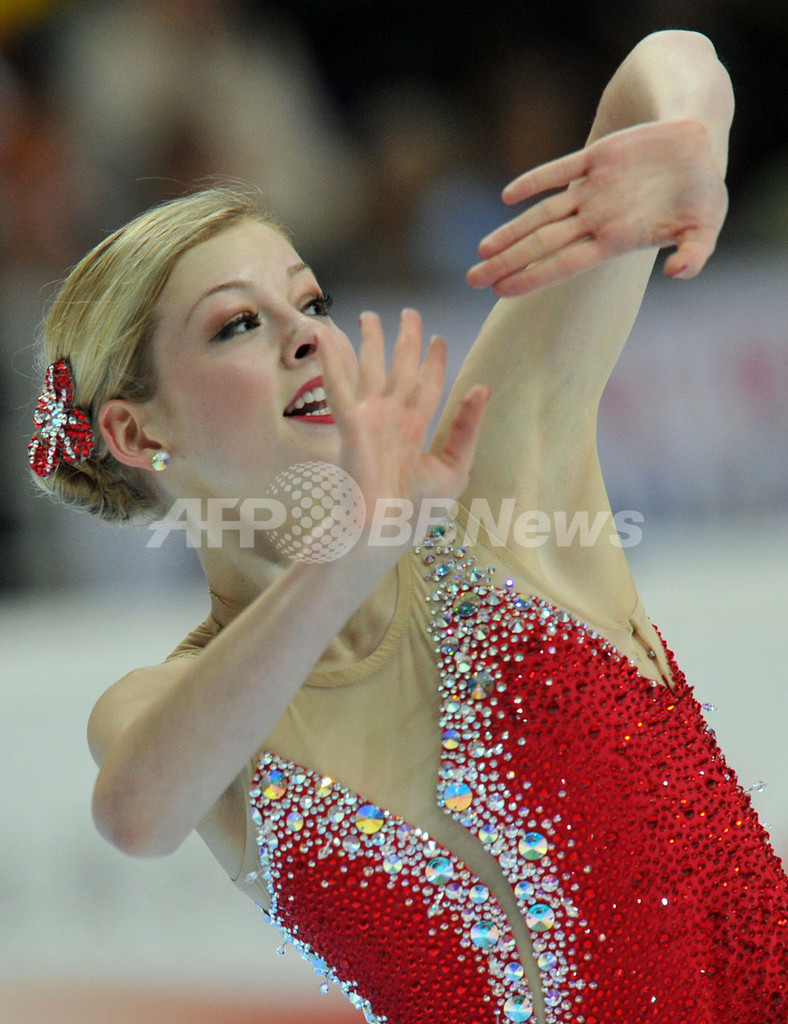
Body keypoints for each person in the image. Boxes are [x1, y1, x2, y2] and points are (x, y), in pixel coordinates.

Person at [29, 30, 787, 1024]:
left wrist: (694, 129)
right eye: (236, 324)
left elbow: (664, 60)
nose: (305, 332)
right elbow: (136, 816)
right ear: (136, 428)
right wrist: (343, 558)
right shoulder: (170, 708)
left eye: (308, 300)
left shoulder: (495, 481)